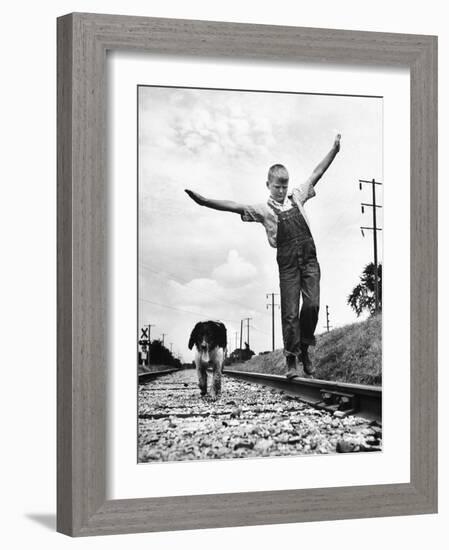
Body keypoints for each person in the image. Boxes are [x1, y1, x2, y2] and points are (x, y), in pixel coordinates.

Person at [185, 134, 341, 378]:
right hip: (287, 263)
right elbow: (233, 205)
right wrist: (205, 202)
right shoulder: (263, 209)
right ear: (268, 184)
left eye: (284, 186)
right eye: (277, 186)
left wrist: (334, 151)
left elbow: (316, 173)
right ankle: (292, 360)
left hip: (310, 259)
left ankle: (304, 346)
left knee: (312, 305)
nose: (281, 190)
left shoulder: (297, 197)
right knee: (290, 312)